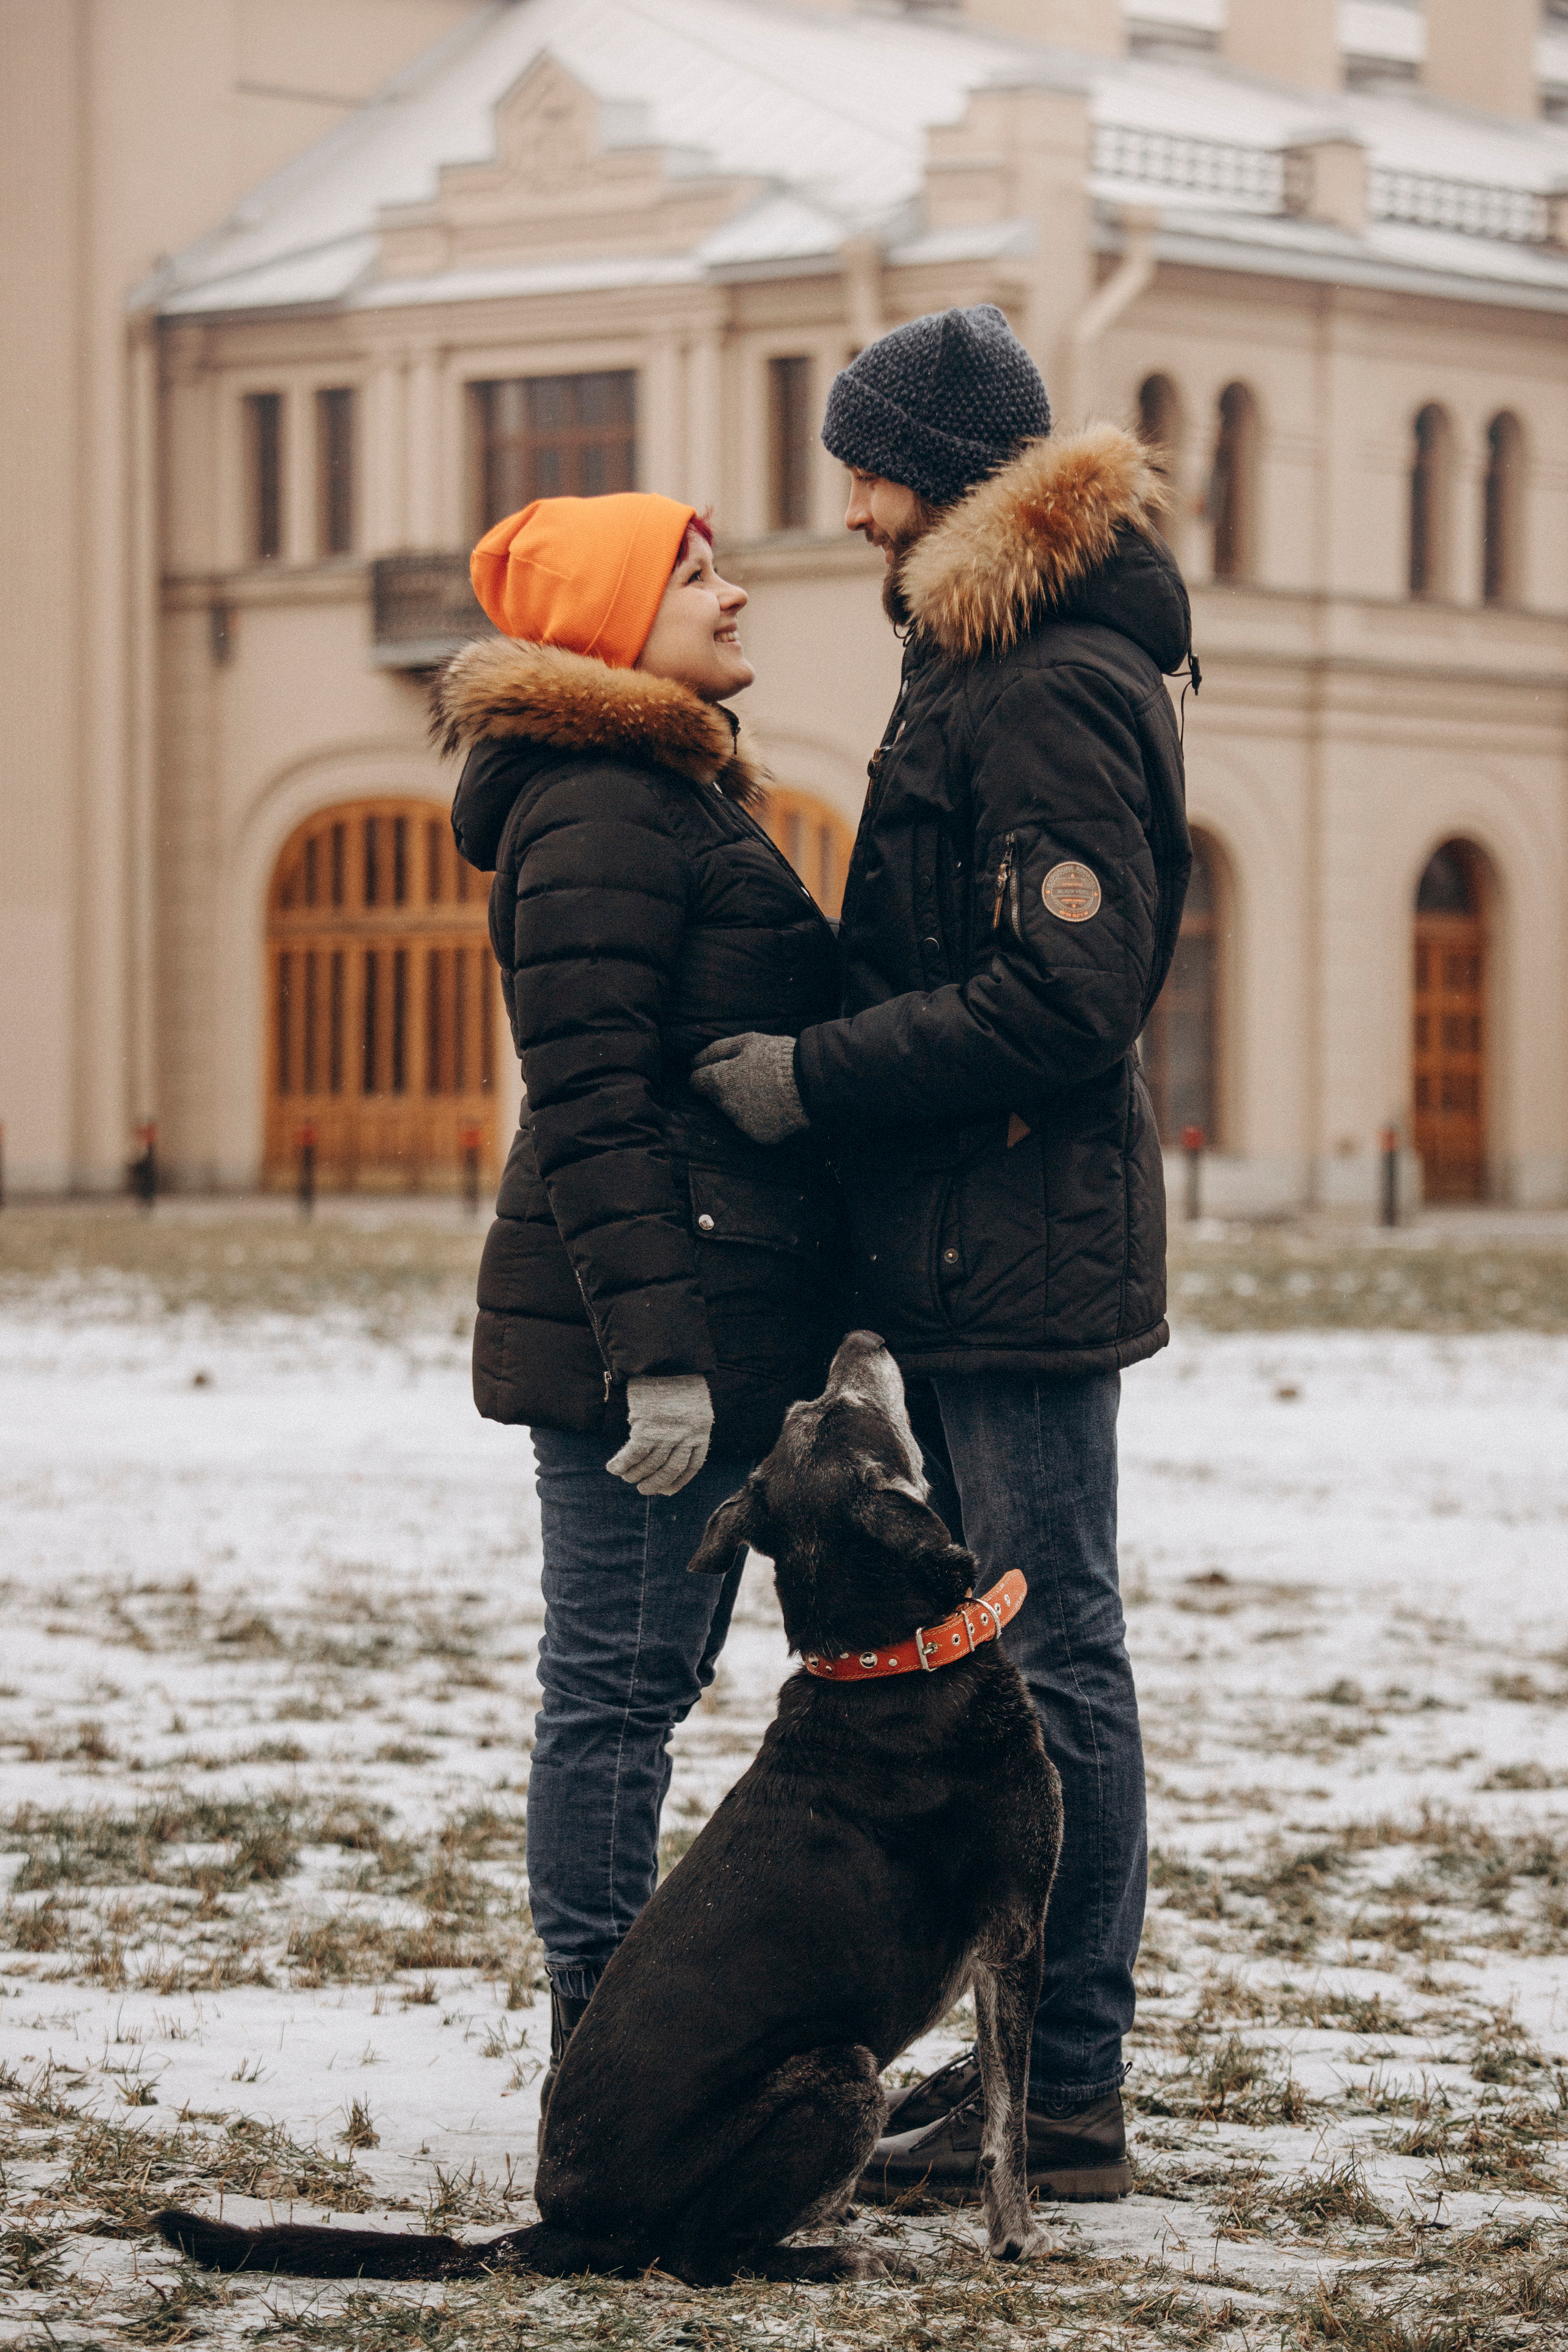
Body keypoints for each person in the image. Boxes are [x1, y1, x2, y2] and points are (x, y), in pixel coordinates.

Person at [693, 305, 1194, 2202]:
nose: (849, 499)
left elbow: (1069, 994)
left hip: (1026, 1246)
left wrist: (815, 1079)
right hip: (977, 1236)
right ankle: (1017, 2074)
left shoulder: (1047, 675)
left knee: (1057, 1669)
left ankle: (1063, 2097)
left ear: (952, 476)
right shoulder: (978, 652)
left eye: (870, 463)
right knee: (1019, 1669)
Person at [435, 492, 841, 2140]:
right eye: (695, 577)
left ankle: (618, 2054)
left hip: (704, 1318)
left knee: (635, 1696)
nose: (736, 593)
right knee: (610, 1699)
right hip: (637, 1341)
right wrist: (656, 1361)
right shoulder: (603, 802)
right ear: (613, 619)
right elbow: (593, 1101)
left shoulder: (664, 791)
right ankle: (598, 2072)